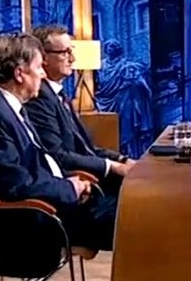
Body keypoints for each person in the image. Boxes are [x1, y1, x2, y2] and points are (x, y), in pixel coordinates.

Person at [0, 33, 118, 278]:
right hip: (29, 225)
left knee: (138, 209)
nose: (43, 74)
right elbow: (14, 186)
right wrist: (69, 188)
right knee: (139, 219)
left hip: (53, 207)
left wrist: (73, 182)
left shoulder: (5, 106)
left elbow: (36, 167)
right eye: (39, 67)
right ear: (20, 73)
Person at [23, 24, 134, 196]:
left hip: (93, 178)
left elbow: (87, 148)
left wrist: (122, 159)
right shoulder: (38, 98)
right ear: (43, 58)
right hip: (80, 185)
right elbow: (58, 155)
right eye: (65, 53)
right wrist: (112, 166)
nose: (72, 59)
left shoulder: (58, 94)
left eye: (71, 51)